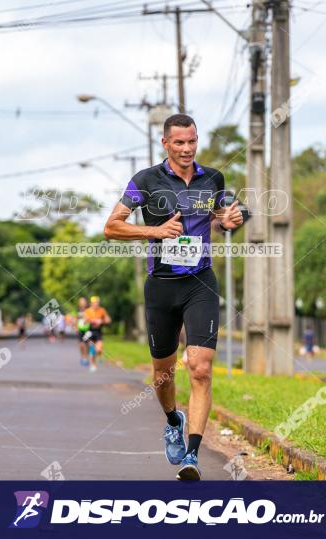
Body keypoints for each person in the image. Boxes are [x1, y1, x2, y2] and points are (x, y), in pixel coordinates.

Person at [103, 113, 244, 480]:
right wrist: (156, 230)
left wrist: (230, 220)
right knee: (163, 374)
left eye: (192, 141)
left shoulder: (213, 178)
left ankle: (191, 456)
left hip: (200, 282)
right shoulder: (145, 180)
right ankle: (172, 421)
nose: (186, 149)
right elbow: (111, 227)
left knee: (199, 367)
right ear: (165, 143)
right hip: (161, 286)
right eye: (179, 142)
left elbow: (224, 213)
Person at [83, 295, 111, 373]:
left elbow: (108, 320)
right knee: (92, 349)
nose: (95, 304)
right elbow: (84, 321)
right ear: (91, 303)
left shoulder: (102, 310)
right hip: (90, 331)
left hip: (98, 332)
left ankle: (99, 355)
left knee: (98, 349)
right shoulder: (87, 311)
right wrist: (92, 321)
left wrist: (102, 321)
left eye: (97, 303)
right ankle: (93, 365)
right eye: (94, 303)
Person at [75, 297, 90, 366]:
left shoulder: (89, 310)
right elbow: (77, 319)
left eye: (83, 302)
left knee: (85, 344)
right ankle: (82, 357)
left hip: (87, 329)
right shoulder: (78, 310)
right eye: (81, 302)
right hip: (80, 330)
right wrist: (76, 327)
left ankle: (86, 358)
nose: (82, 303)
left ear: (86, 303)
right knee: (81, 345)